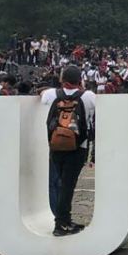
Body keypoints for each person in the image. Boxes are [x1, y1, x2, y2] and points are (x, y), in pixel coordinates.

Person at [41, 66, 96, 236]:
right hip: (78, 146)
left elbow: (42, 98)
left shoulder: (51, 95)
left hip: (56, 145)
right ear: (80, 80)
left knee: (60, 184)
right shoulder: (88, 97)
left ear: (62, 79)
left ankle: (63, 220)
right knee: (68, 185)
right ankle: (61, 223)